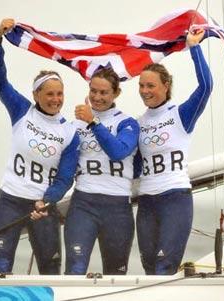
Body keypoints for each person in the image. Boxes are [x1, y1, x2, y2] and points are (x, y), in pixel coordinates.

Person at [0, 19, 79, 275]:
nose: (55, 99)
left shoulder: (69, 132)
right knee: (1, 268)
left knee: (50, 270)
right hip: (10, 201)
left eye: (59, 93)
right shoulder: (21, 110)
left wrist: (47, 200)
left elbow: (65, 177)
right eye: (49, 94)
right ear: (37, 94)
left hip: (43, 207)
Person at [134, 29, 213, 275]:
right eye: (141, 85)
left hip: (175, 199)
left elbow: (206, 87)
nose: (145, 90)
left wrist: (194, 47)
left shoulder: (181, 115)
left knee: (164, 266)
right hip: (146, 202)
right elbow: (133, 166)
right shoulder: (137, 123)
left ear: (166, 86)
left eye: (151, 86)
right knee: (149, 268)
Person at [64, 68, 140, 275]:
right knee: (75, 270)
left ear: (116, 93)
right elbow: (64, 169)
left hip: (117, 209)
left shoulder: (127, 123)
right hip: (83, 204)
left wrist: (93, 122)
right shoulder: (74, 124)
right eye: (93, 91)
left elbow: (118, 152)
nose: (97, 97)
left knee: (115, 275)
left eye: (104, 92)